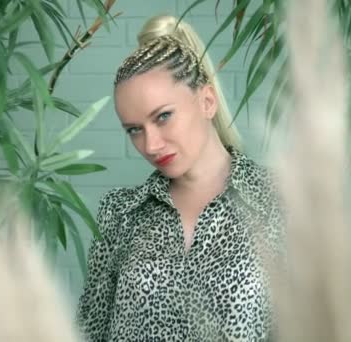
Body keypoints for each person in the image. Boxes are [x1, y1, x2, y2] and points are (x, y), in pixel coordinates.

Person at [76, 15, 284, 342]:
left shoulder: (278, 202)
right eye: (134, 130)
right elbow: (90, 331)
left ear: (207, 101)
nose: (150, 145)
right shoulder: (118, 213)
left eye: (163, 117)